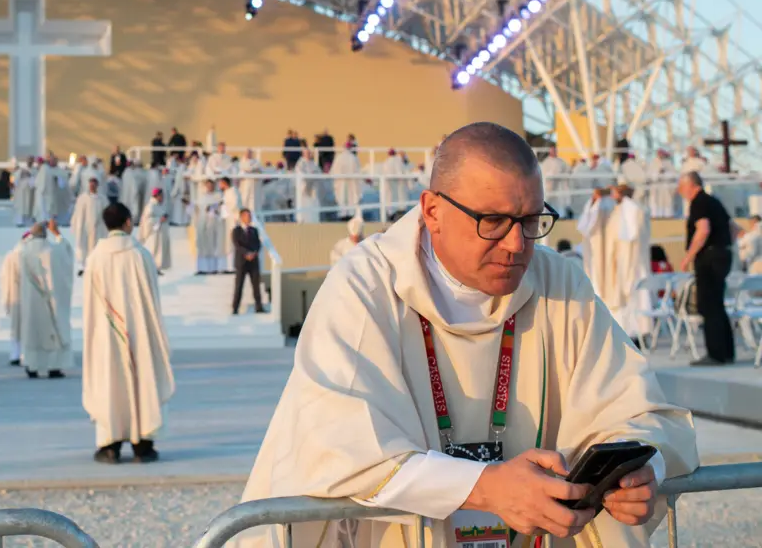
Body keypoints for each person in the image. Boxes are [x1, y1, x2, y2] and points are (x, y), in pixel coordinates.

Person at [235, 122, 697, 547]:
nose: (517, 245)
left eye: (532, 221)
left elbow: (639, 410)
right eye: (492, 221)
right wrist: (485, 487)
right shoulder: (366, 285)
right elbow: (335, 444)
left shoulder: (560, 284)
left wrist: (640, 475)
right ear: (432, 210)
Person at [82, 202, 174, 464]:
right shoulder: (140, 255)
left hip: (105, 334)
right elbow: (151, 301)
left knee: (110, 381)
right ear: (127, 223)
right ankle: (142, 445)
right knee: (142, 379)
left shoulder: (95, 258)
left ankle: (110, 445)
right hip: (139, 332)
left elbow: (90, 305)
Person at [678, 171, 737, 365]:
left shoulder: (699, 202)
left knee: (708, 304)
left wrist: (688, 257)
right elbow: (732, 228)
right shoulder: (714, 201)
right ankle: (727, 351)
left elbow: (703, 229)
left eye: (682, 186)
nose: (680, 190)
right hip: (722, 255)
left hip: (709, 258)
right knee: (717, 304)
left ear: (692, 185)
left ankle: (715, 354)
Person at [19, 219, 75, 379]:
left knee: (33, 333)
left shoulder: (24, 252)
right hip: (51, 300)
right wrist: (57, 233)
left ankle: (32, 365)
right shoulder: (52, 251)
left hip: (32, 301)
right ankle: (54, 367)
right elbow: (67, 254)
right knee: (53, 331)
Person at [610, 184, 651, 345]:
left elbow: (628, 236)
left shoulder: (629, 210)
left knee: (633, 296)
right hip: (633, 260)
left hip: (630, 262)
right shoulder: (638, 209)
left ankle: (635, 332)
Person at [576, 186, 616, 309]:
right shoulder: (598, 207)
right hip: (597, 251)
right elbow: (586, 227)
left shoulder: (605, 207)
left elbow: (584, 227)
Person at [0, 232, 29, 366]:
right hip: (27, 296)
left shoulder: (10, 256)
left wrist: (6, 298)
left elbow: (4, 279)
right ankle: (24, 353)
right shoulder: (30, 255)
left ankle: (15, 353)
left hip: (14, 296)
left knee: (15, 327)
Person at [231, 209, 265, 315]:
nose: (249, 218)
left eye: (250, 216)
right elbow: (237, 245)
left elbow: (258, 243)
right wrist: (246, 254)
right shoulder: (236, 230)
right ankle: (235, 307)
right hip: (241, 262)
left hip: (253, 262)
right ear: (241, 217)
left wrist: (254, 253)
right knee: (239, 285)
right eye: (246, 216)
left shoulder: (254, 230)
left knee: (256, 285)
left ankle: (259, 306)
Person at [71, 177, 108, 273]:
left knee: (96, 247)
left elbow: (107, 213)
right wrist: (77, 226)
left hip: (98, 228)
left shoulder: (102, 199)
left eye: (94, 184)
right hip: (85, 228)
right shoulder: (83, 198)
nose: (92, 186)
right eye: (91, 184)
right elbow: (78, 213)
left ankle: (96, 266)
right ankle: (83, 266)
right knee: (84, 247)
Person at [195, 179, 225, 274]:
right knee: (202, 246)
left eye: (211, 185)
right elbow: (197, 209)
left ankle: (213, 268)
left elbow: (221, 208)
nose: (209, 187)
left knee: (213, 246)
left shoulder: (218, 196)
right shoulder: (202, 197)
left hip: (213, 224)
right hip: (202, 224)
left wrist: (213, 209)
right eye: (207, 185)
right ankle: (202, 269)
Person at [138, 188, 171, 272]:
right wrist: (159, 219)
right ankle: (152, 268)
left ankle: (157, 268)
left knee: (159, 251)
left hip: (160, 233)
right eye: (161, 196)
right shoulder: (150, 206)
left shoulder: (159, 205)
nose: (163, 198)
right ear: (157, 196)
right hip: (153, 233)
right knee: (153, 249)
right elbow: (147, 220)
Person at [330, 147, 362, 220]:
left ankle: (343, 215)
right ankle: (350, 215)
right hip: (351, 184)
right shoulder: (353, 158)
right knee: (351, 201)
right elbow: (358, 172)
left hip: (341, 183)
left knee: (342, 200)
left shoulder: (338, 158)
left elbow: (333, 172)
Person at [539, 146, 572, 218]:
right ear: (550, 151)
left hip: (559, 185)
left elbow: (567, 170)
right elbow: (544, 173)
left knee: (559, 201)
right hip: (549, 186)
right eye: (553, 151)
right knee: (548, 201)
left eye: (555, 151)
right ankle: (547, 215)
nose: (554, 152)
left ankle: (561, 215)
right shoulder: (546, 162)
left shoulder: (561, 161)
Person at [647, 149, 676, 218]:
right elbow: (649, 175)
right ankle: (656, 216)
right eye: (659, 153)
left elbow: (673, 175)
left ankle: (668, 216)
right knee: (655, 202)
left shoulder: (668, 163)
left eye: (662, 153)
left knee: (667, 202)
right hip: (656, 186)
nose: (661, 155)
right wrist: (658, 173)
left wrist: (665, 173)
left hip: (666, 186)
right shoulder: (653, 163)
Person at [294, 149, 320, 224]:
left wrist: (313, 175)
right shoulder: (300, 164)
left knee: (313, 205)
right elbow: (300, 174)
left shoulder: (313, 163)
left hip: (312, 188)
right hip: (304, 190)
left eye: (309, 153)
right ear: (303, 154)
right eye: (307, 153)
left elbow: (318, 172)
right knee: (304, 206)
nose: (309, 155)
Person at [12, 159, 35, 226]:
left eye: (31, 160)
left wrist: (30, 176)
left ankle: (28, 222)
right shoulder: (20, 171)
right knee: (20, 207)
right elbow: (15, 181)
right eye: (28, 160)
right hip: (20, 194)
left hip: (29, 194)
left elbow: (34, 183)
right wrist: (21, 173)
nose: (29, 162)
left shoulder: (34, 171)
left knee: (28, 208)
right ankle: (19, 221)